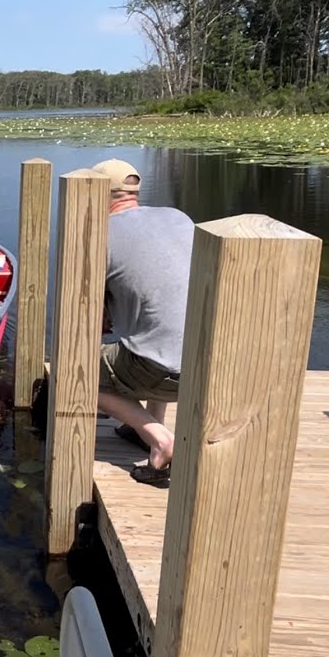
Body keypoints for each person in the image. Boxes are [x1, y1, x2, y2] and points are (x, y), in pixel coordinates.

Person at [92, 158, 195, 487]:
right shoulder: (178, 217)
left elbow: (86, 312)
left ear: (96, 194)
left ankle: (160, 440)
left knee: (74, 372)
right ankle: (145, 428)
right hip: (206, 368)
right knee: (158, 328)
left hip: (161, 373)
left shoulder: (99, 236)